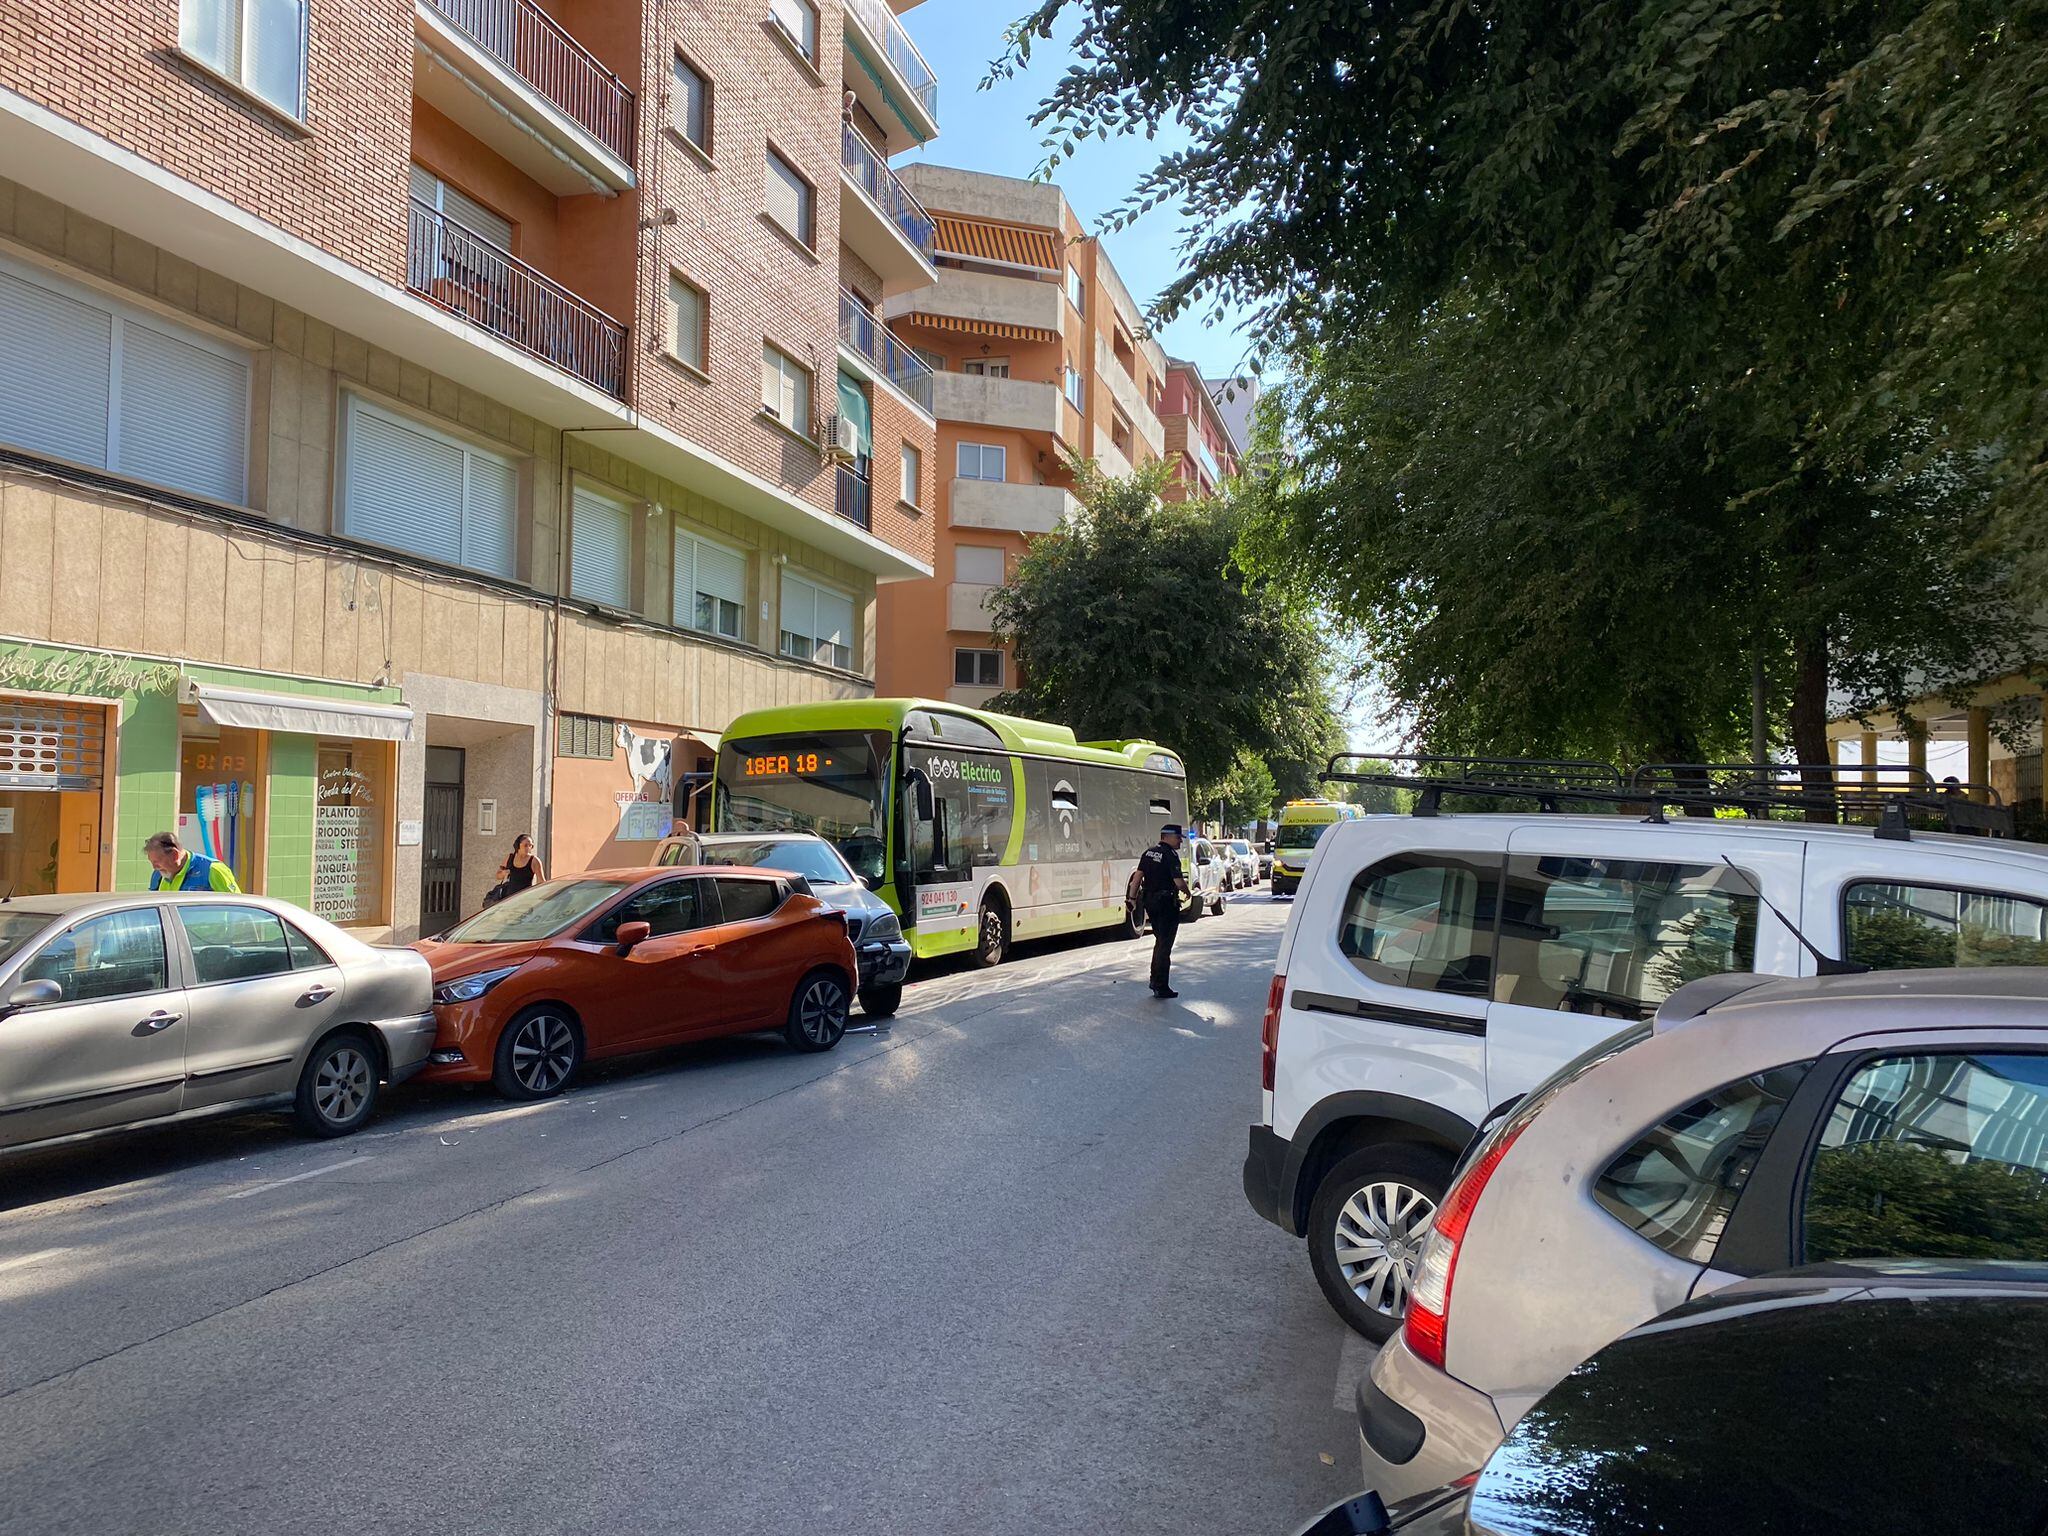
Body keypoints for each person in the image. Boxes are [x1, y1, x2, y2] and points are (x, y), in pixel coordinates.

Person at [1136, 823, 1191, 999]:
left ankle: (1155, 980)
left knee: (1159, 941)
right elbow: (1178, 881)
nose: (1180, 842)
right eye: (1178, 838)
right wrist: (1188, 892)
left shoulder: (1148, 852)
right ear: (1166, 836)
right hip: (1166, 903)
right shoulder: (1170, 855)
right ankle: (1161, 985)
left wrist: (1130, 899)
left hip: (1150, 902)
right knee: (1165, 944)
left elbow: (1137, 877)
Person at [143, 830, 242, 893]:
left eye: (157, 862)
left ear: (175, 855)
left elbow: (237, 906)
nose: (154, 867)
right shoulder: (158, 875)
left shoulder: (212, 870)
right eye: (151, 862)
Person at [495, 834, 544, 899]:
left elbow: (541, 881)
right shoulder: (510, 858)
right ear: (518, 846)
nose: (528, 848)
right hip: (508, 899)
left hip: (525, 899)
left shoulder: (534, 861)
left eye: (530, 846)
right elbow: (498, 876)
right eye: (525, 845)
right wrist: (503, 873)